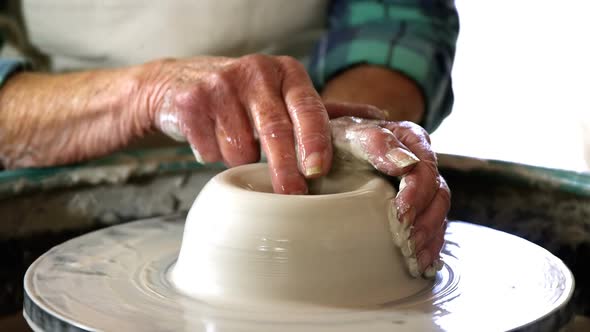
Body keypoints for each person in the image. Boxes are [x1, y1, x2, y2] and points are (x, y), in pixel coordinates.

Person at [0, 0, 458, 274]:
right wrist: (143, 95)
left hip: (306, 123)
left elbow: (397, 18)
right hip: (57, 138)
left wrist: (342, 139)